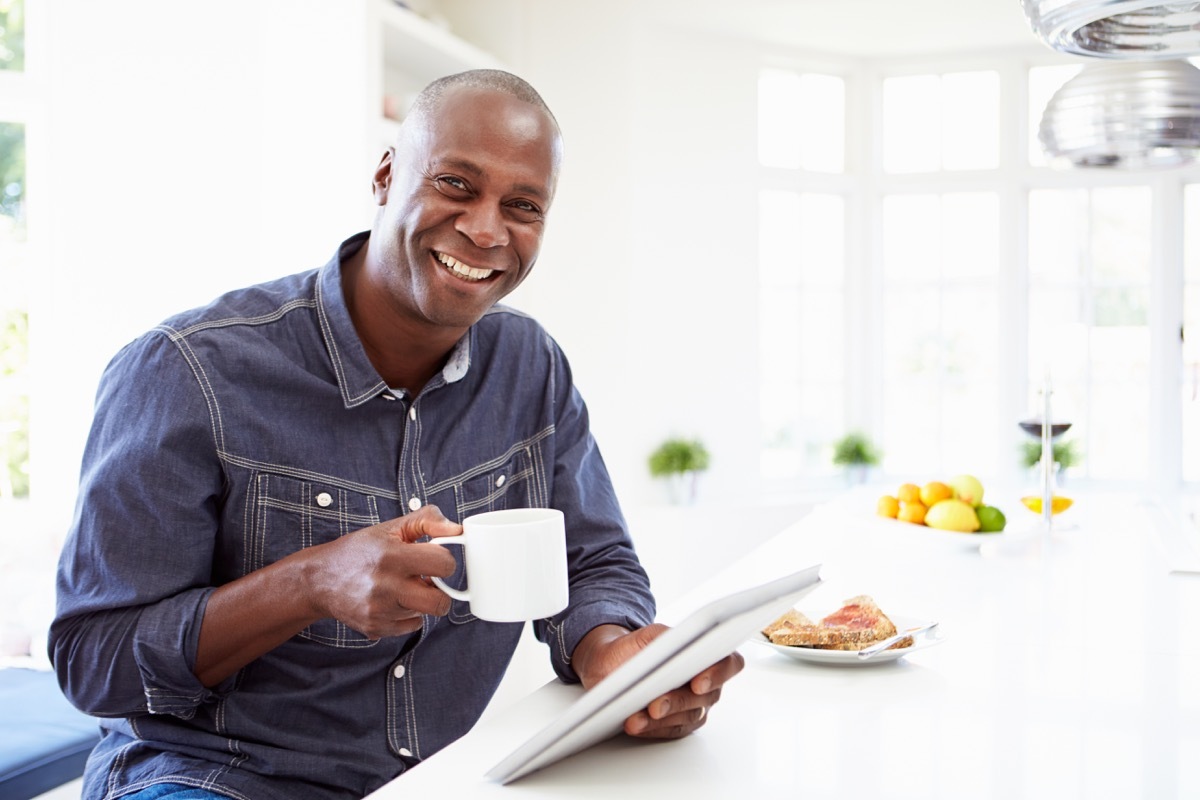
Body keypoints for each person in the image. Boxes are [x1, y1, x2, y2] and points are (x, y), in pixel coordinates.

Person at [50, 69, 744, 800]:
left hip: (440, 780)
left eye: (523, 206)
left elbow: (592, 559)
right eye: (455, 184)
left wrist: (615, 657)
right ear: (386, 176)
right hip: (213, 781)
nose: (485, 230)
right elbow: (92, 660)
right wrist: (310, 582)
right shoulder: (187, 371)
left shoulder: (528, 367)